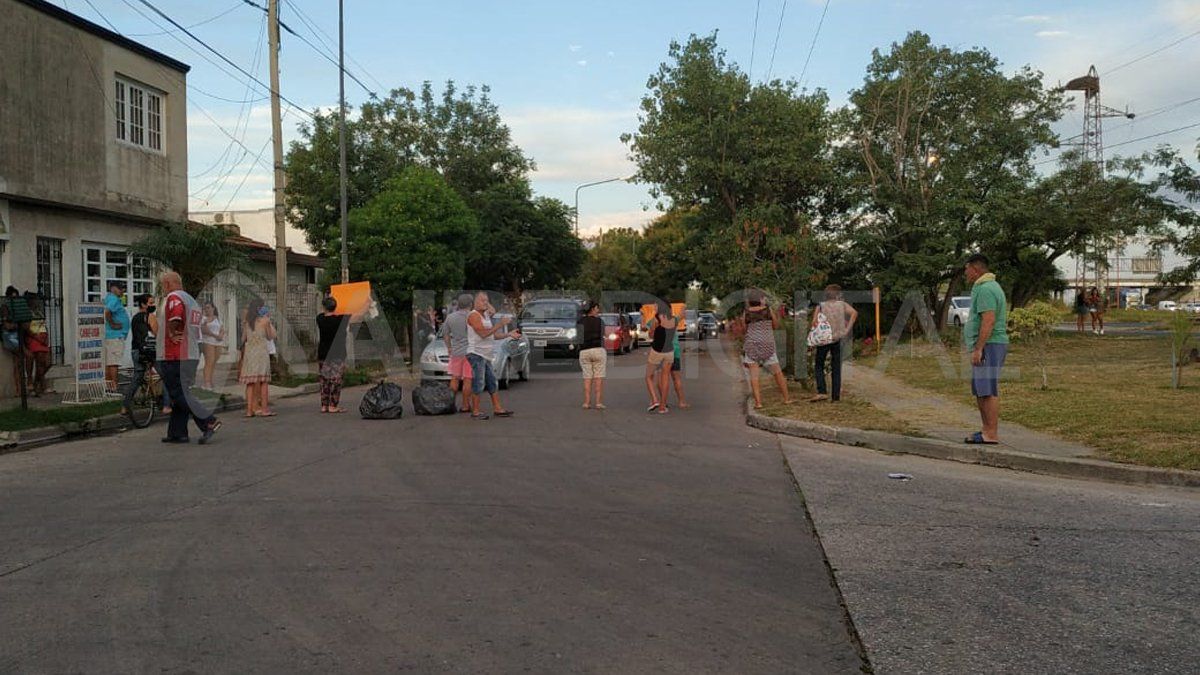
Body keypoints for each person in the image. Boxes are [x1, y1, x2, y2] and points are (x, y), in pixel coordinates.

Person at [157, 271, 220, 444]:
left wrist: (171, 331)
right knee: (180, 393)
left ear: (168, 284)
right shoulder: (191, 300)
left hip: (175, 353)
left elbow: (176, 316)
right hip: (190, 353)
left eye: (163, 285)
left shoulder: (174, 297)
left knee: (178, 393)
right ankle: (177, 432)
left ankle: (208, 421)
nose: (163, 289)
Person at [963, 254, 1008, 445]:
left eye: (966, 269)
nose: (965, 273)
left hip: (990, 344)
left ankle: (991, 433)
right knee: (981, 389)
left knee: (987, 390)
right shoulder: (987, 287)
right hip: (988, 345)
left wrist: (979, 348)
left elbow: (988, 321)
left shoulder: (986, 289)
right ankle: (986, 430)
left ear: (975, 268)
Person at [466, 292, 519, 420]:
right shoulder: (473, 316)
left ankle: (497, 408)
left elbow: (493, 336)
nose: (485, 303)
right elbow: (483, 334)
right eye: (482, 301)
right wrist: (500, 324)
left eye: (487, 301)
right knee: (478, 382)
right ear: (475, 302)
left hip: (486, 354)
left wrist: (509, 334)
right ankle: (476, 411)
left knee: (492, 382)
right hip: (476, 354)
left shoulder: (485, 315)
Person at [741, 290, 791, 409]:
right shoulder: (768, 311)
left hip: (752, 345)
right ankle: (786, 399)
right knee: (778, 372)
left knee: (754, 375)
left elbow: (745, 329)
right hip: (768, 345)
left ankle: (758, 403)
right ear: (760, 299)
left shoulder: (746, 313)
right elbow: (775, 326)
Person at [810, 284, 858, 403]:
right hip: (838, 338)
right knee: (836, 367)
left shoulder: (821, 306)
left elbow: (814, 322)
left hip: (824, 339)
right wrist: (847, 329)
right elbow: (854, 313)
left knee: (819, 365)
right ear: (838, 294)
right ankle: (835, 396)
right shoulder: (842, 305)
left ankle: (822, 391)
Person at [122, 293, 164, 415]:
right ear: (143, 304)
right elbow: (158, 334)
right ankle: (165, 404)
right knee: (166, 375)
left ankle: (125, 406)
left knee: (136, 379)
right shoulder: (150, 316)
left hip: (136, 351)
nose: (153, 305)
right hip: (150, 351)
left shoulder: (135, 318)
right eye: (150, 303)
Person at [239, 299, 276, 417]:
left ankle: (249, 410)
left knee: (250, 382)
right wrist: (269, 324)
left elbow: (243, 339)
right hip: (261, 353)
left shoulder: (247, 322)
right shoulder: (265, 321)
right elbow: (271, 337)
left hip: (250, 354)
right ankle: (264, 409)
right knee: (263, 382)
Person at [315, 296, 350, 413]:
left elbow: (323, 313)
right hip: (337, 354)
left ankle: (324, 405)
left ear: (324, 307)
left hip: (323, 353)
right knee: (336, 380)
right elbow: (353, 313)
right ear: (335, 307)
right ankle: (333, 405)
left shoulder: (319, 319)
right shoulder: (341, 320)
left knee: (324, 380)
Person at [444, 293, 475, 413]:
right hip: (470, 352)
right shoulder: (473, 317)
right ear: (470, 304)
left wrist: (449, 347)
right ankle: (465, 405)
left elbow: (446, 334)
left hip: (456, 352)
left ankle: (450, 404)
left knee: (455, 378)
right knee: (468, 379)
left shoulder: (450, 317)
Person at [644, 305, 677, 414]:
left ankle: (654, 400)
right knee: (665, 378)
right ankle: (663, 406)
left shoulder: (657, 318)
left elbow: (651, 335)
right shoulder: (673, 319)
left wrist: (653, 328)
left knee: (648, 376)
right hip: (669, 351)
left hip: (657, 351)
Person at [2, 286, 33, 397]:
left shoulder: (21, 308)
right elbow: (7, 325)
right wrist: (17, 325)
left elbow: (26, 324)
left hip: (19, 335)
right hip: (10, 336)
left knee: (18, 363)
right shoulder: (5, 307)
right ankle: (27, 382)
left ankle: (20, 390)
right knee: (27, 356)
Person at [579, 301, 607, 409]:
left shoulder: (580, 321)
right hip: (598, 350)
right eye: (597, 308)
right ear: (593, 309)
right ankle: (598, 403)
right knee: (598, 377)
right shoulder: (600, 321)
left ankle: (586, 402)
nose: (598, 310)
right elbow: (603, 334)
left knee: (587, 377)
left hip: (584, 351)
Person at [103, 280, 130, 393]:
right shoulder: (113, 299)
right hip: (115, 336)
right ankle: (114, 386)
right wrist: (113, 324)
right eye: (120, 288)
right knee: (113, 362)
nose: (123, 291)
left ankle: (109, 386)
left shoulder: (110, 298)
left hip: (112, 336)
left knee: (109, 362)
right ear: (113, 288)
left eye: (124, 288)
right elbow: (107, 312)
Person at [24, 295, 52, 397]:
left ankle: (37, 382)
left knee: (48, 362)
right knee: (40, 359)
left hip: (43, 339)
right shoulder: (27, 313)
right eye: (34, 301)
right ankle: (36, 384)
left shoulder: (39, 312)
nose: (36, 303)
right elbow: (27, 329)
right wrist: (37, 337)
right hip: (35, 339)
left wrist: (46, 339)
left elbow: (44, 326)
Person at [199, 302, 225, 390]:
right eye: (205, 308)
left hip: (218, 343)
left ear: (213, 308)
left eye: (208, 307)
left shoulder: (217, 318)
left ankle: (210, 380)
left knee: (213, 362)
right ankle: (206, 383)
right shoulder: (204, 319)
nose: (207, 310)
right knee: (209, 362)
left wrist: (221, 335)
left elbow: (222, 329)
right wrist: (215, 335)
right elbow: (204, 330)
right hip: (208, 342)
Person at [667, 312, 690, 409]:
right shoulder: (673, 320)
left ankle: (663, 402)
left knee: (663, 379)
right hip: (674, 351)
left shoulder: (656, 320)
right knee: (676, 378)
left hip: (663, 352)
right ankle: (681, 402)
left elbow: (645, 329)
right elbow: (683, 314)